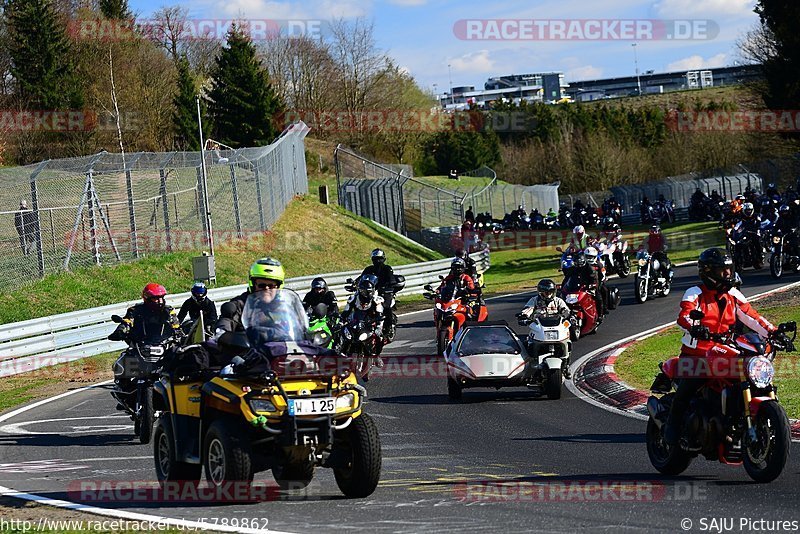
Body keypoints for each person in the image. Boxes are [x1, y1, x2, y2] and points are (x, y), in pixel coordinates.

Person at [662, 248, 778, 445]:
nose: (727, 274)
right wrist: (696, 327)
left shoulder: (733, 294)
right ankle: (671, 430)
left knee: (750, 372)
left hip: (724, 350)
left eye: (729, 269)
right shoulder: (695, 293)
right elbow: (685, 315)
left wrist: (773, 332)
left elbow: (752, 317)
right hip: (696, 354)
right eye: (722, 270)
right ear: (708, 271)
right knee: (689, 386)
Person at [214, 257, 285, 335]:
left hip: (282, 346)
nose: (266, 289)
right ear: (253, 285)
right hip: (248, 346)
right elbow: (226, 323)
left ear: (278, 287)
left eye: (271, 286)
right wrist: (223, 333)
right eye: (262, 285)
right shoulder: (240, 306)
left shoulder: (285, 306)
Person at [519, 278, 572, 378]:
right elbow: (528, 309)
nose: (548, 294)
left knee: (567, 342)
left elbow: (566, 310)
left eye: (550, 292)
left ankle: (566, 365)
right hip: (539, 328)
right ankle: (531, 364)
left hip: (556, 328)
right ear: (540, 292)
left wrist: (568, 315)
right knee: (528, 343)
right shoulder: (534, 300)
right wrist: (524, 316)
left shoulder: (558, 301)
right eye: (546, 292)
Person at [109, 283, 182, 344]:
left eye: (161, 298)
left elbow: (176, 326)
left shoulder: (168, 311)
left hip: (165, 346)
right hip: (139, 346)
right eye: (156, 298)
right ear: (147, 298)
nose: (160, 301)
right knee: (125, 359)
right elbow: (127, 322)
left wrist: (179, 335)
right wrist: (120, 331)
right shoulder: (135, 310)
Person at [340, 274, 386, 361]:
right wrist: (341, 322)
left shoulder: (376, 300)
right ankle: (342, 352)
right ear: (360, 291)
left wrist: (378, 326)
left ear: (372, 291)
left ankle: (377, 356)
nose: (366, 294)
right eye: (364, 291)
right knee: (344, 333)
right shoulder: (353, 298)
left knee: (380, 336)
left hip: (370, 322)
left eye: (368, 291)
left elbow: (379, 314)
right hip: (356, 321)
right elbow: (346, 312)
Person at [584, 246, 609, 316]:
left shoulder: (599, 265)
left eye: (591, 257)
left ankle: (603, 309)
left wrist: (600, 283)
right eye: (588, 256)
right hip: (584, 283)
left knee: (603, 292)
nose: (589, 258)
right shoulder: (583, 265)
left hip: (596, 283)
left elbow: (603, 275)